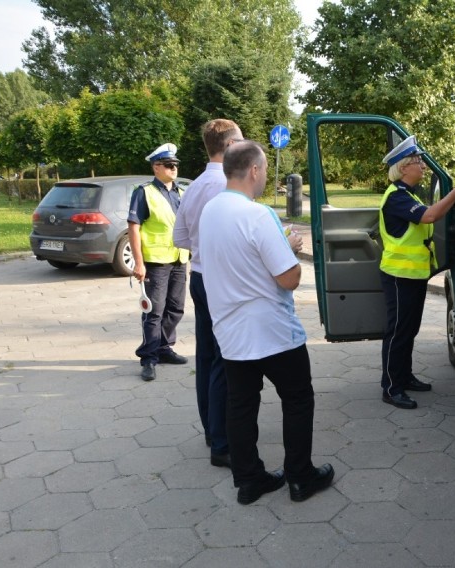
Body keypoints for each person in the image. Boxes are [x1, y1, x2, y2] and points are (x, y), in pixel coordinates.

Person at [198, 140, 334, 504]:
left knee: (240, 403)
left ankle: (249, 480)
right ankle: (300, 476)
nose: (264, 180)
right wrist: (290, 249)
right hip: (272, 331)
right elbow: (288, 278)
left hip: (230, 330)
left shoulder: (210, 210)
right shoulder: (256, 215)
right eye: (263, 173)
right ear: (255, 170)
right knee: (298, 398)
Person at [379, 135, 455, 409]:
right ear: (403, 167)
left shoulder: (407, 195)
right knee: (397, 332)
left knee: (409, 330)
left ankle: (404, 377)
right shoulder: (396, 197)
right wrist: (454, 194)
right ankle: (391, 387)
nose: (422, 166)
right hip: (399, 276)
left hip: (414, 275)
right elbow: (430, 216)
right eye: (418, 161)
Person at [173, 119, 243, 469]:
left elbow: (180, 239)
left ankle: (211, 429)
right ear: (229, 146)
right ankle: (222, 442)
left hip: (198, 275)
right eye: (241, 141)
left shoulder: (197, 184)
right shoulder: (225, 185)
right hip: (220, 280)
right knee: (223, 361)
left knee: (206, 356)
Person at [128, 143, 189, 382]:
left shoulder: (181, 192)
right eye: (169, 165)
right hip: (155, 262)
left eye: (175, 165)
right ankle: (149, 358)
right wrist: (138, 262)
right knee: (154, 311)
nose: (174, 168)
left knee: (176, 308)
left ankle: (164, 348)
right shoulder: (144, 192)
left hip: (179, 259)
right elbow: (134, 228)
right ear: (156, 167)